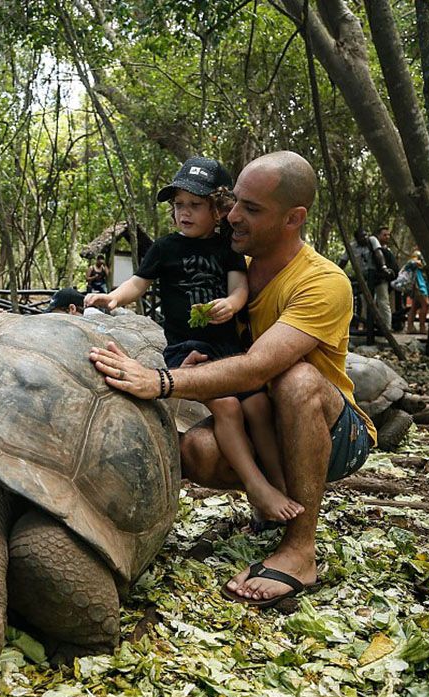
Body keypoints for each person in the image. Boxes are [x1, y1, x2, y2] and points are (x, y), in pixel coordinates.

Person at [89, 151, 376, 609]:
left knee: (296, 380)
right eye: (235, 202)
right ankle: (268, 504)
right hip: (258, 415)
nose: (234, 216)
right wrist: (189, 363)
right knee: (196, 449)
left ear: (293, 218)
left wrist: (160, 381)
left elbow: (259, 366)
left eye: (252, 209)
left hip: (333, 430)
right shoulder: (229, 262)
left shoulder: (323, 281)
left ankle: (300, 549)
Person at [86, 156, 301, 525]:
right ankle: (255, 486)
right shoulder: (165, 248)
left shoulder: (227, 248)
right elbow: (138, 283)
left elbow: (239, 288)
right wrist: (113, 298)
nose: (184, 213)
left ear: (218, 210)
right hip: (186, 348)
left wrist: (231, 305)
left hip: (228, 349)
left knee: (258, 407)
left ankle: (279, 484)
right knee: (228, 407)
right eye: (178, 205)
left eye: (195, 205)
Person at [339, 229, 392, 333]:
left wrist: (384, 267)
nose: (365, 238)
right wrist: (336, 273)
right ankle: (365, 325)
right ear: (357, 239)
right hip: (364, 278)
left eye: (366, 235)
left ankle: (387, 328)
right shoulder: (352, 247)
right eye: (362, 237)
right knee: (365, 302)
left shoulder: (372, 240)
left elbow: (378, 253)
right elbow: (343, 261)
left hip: (378, 275)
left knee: (383, 301)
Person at [402, 251, 429, 335]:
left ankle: (410, 327)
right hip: (419, 287)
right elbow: (410, 264)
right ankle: (422, 327)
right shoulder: (417, 259)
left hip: (422, 287)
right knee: (426, 304)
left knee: (414, 307)